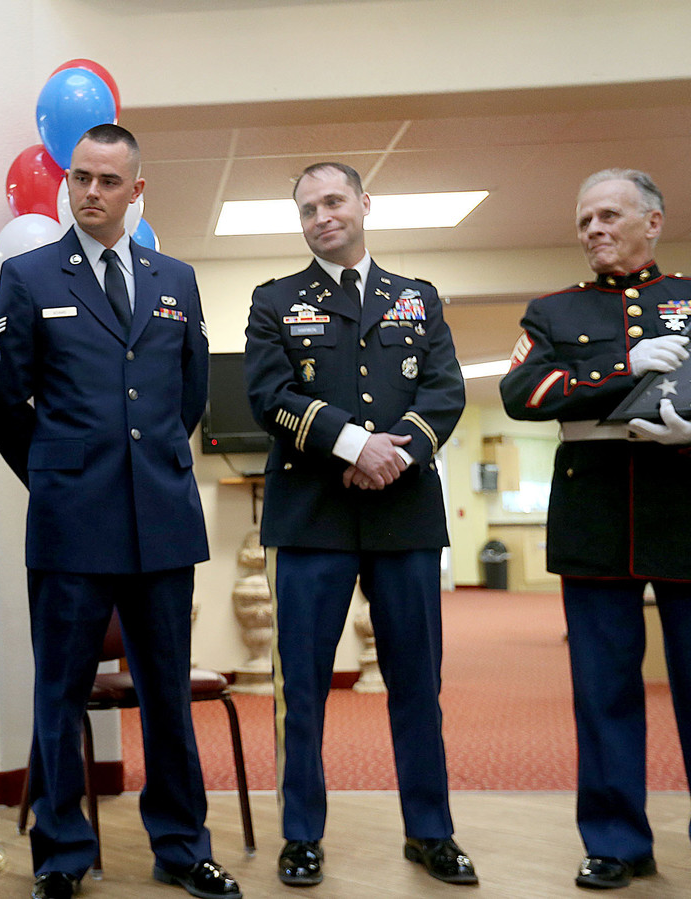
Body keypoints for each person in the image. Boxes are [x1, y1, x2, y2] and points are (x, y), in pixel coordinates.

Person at [0, 124, 241, 899]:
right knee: (58, 695)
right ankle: (62, 855)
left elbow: (189, 393)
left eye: (108, 181)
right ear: (68, 184)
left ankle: (181, 845)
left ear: (137, 191)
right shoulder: (29, 276)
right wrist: (55, 470)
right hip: (70, 524)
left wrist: (149, 460)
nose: (91, 193)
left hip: (161, 522)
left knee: (166, 692)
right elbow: (3, 397)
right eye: (80, 178)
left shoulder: (176, 279)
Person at [500, 168, 691, 898]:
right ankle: (614, 843)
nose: (595, 230)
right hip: (598, 522)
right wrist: (620, 366)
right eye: (584, 221)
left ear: (654, 221)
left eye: (610, 215)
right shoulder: (552, 311)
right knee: (604, 693)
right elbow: (525, 392)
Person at [243, 162, 474, 888]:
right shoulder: (275, 300)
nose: (322, 216)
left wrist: (389, 454)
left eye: (334, 200)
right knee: (302, 689)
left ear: (365, 204)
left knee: (415, 684)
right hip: (310, 519)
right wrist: (352, 444)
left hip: (403, 519)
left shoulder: (418, 298)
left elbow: (445, 392)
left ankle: (431, 831)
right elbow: (266, 396)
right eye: (308, 207)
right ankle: (301, 834)